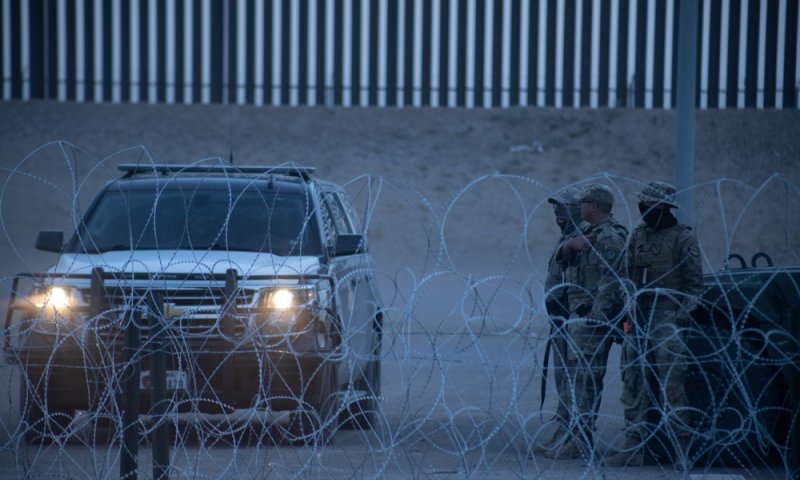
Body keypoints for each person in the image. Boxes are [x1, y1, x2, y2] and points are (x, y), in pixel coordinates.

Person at [604, 182, 703, 469]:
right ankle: (633, 445)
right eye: (642, 206)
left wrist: (678, 317)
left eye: (648, 207)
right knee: (633, 383)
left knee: (672, 385)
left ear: (662, 208)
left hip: (667, 316)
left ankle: (681, 448)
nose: (643, 211)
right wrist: (628, 302)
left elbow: (695, 287)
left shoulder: (682, 239)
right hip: (638, 318)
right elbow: (627, 275)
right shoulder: (638, 235)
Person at [543, 184, 628, 460]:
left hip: (590, 322)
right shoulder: (583, 236)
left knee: (585, 380)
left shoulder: (607, 236)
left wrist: (596, 315)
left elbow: (613, 278)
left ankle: (579, 439)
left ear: (593, 205)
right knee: (578, 380)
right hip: (574, 319)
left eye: (580, 204)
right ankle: (573, 436)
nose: (566, 212)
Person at [530, 187, 586, 456]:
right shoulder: (567, 238)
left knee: (575, 378)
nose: (558, 214)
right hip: (560, 319)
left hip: (575, 318)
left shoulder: (585, 237)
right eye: (556, 209)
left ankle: (574, 434)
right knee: (562, 375)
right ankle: (564, 427)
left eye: (564, 209)